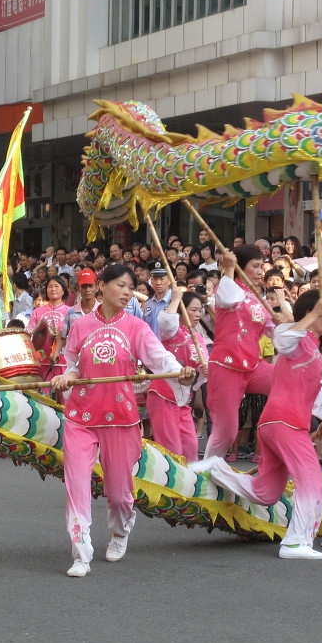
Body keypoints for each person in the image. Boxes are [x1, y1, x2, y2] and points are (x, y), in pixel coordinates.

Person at [49, 263, 195, 578]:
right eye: (121, 285)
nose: (128, 291)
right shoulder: (80, 325)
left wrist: (179, 369)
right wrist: (67, 377)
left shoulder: (136, 327)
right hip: (81, 416)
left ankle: (120, 530)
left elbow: (160, 358)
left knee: (118, 493)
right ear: (101, 286)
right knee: (76, 484)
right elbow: (73, 363)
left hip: (120, 417)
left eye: (131, 286)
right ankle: (80, 553)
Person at [197, 289, 322, 560]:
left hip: (279, 423)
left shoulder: (314, 349)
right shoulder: (298, 339)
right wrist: (312, 316)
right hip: (286, 424)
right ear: (313, 311)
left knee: (266, 492)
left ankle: (216, 468)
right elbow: (283, 337)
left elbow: (318, 398)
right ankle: (296, 542)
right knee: (310, 480)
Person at [202, 247, 278, 460]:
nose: (261, 271)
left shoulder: (257, 297)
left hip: (253, 365)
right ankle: (206, 474)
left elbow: (275, 331)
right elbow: (229, 301)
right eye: (255, 266)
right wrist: (227, 269)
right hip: (227, 367)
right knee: (225, 432)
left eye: (262, 266)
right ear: (240, 267)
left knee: (287, 379)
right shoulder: (226, 288)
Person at [148, 287, 210, 462]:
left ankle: (190, 487)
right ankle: (168, 488)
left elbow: (204, 365)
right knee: (172, 450)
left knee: (190, 447)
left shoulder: (198, 338)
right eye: (193, 310)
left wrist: (206, 371)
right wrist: (175, 299)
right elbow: (166, 321)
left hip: (183, 398)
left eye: (200, 310)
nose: (198, 314)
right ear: (182, 310)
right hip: (163, 394)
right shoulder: (172, 332)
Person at [29, 276, 71, 380]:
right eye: (50, 286)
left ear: (63, 291)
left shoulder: (70, 312)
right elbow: (30, 333)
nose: (53, 289)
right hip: (42, 362)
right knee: (43, 394)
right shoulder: (37, 312)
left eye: (57, 286)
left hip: (64, 363)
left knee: (62, 393)